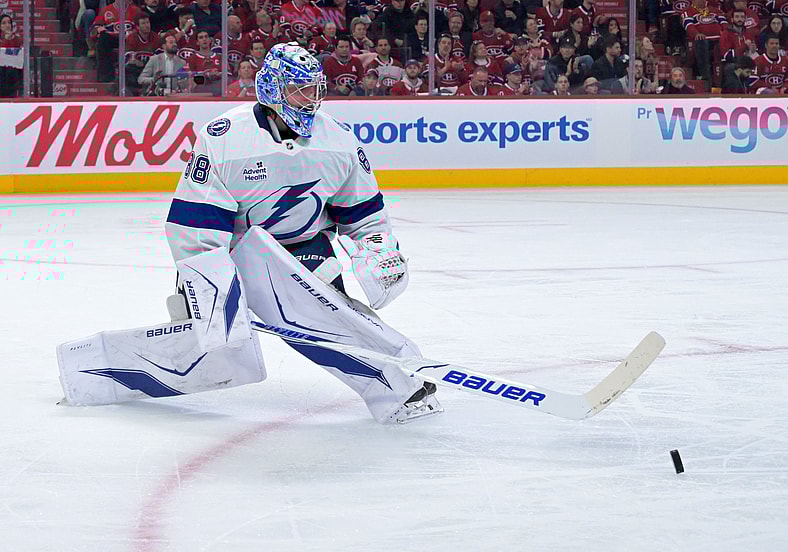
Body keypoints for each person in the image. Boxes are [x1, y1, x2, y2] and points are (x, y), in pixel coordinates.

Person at [161, 42, 440, 424]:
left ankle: (396, 378)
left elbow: (363, 213)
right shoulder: (226, 137)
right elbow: (195, 225)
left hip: (307, 244)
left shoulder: (338, 140)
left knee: (326, 313)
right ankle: (187, 333)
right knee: (253, 326)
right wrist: (212, 284)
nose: (310, 99)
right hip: (242, 250)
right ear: (273, 89)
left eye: (315, 89)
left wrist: (377, 250)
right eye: (299, 89)